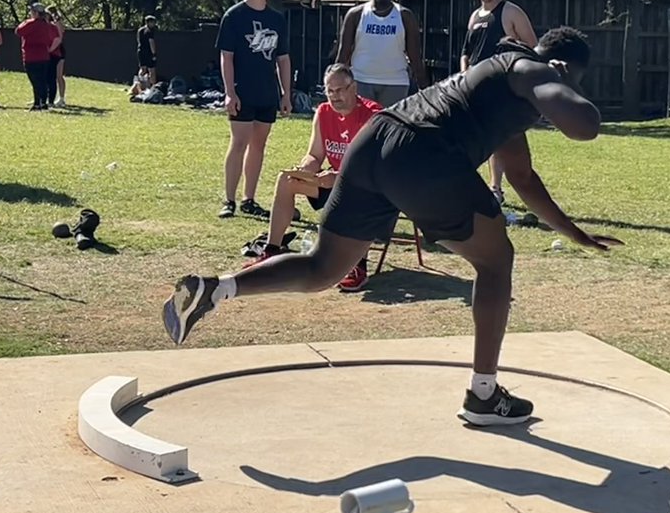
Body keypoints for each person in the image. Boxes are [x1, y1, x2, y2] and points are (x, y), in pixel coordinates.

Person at [164, 27, 622, 427]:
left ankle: (217, 289)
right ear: (562, 66)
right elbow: (584, 125)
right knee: (497, 260)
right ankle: (483, 394)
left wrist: (570, 230)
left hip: (378, 140)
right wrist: (557, 78)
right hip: (423, 153)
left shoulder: (504, 90)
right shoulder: (528, 68)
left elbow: (523, 179)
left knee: (323, 268)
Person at [247, 63, 383, 291]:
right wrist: (305, 170)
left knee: (354, 192)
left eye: (340, 90)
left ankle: (357, 265)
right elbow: (315, 154)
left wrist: (339, 177)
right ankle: (272, 249)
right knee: (286, 181)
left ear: (354, 88)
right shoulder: (323, 112)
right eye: (330, 91)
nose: (334, 96)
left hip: (366, 187)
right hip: (331, 181)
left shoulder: (373, 115)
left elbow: (373, 167)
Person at [216, 0, 291, 219]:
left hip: (267, 93)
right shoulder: (234, 16)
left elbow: (283, 59)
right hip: (242, 91)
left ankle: (249, 199)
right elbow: (226, 57)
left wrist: (286, 94)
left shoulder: (277, 19)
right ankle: (229, 200)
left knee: (258, 145)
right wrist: (229, 92)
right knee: (239, 143)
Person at [461, 0, 539, 204]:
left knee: (501, 138)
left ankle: (496, 188)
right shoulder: (475, 17)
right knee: (474, 137)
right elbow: (466, 51)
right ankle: (469, 186)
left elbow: (533, 46)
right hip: (474, 87)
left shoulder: (511, 12)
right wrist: (464, 74)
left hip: (502, 87)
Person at [335, 0, 428, 107]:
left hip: (395, 82)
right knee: (363, 125)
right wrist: (336, 82)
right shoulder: (356, 15)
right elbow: (344, 52)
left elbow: (415, 55)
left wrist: (424, 87)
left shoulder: (404, 16)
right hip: (362, 80)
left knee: (391, 126)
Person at [15, 3, 58, 111]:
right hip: (44, 56)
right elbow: (51, 38)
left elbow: (18, 31)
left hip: (31, 56)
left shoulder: (31, 23)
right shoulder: (47, 25)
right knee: (42, 80)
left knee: (35, 80)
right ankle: (43, 102)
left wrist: (26, 22)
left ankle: (37, 103)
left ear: (36, 13)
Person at [48, 5, 67, 107]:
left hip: (58, 51)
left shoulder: (57, 23)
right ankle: (45, 97)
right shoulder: (48, 24)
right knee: (48, 75)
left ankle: (61, 98)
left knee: (58, 75)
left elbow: (60, 35)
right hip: (50, 51)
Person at [137, 15, 158, 88]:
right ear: (149, 22)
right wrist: (154, 54)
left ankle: (139, 83)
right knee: (152, 70)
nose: (154, 24)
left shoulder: (140, 30)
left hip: (141, 51)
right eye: (153, 22)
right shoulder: (150, 31)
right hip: (148, 53)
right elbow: (151, 42)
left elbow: (139, 41)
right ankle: (153, 87)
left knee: (143, 69)